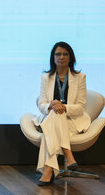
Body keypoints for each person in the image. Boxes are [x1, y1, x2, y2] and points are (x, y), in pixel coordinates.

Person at [33, 42, 90, 186]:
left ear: (71, 58)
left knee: (54, 120)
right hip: (52, 118)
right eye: (58, 54)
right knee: (55, 115)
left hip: (72, 120)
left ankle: (48, 169)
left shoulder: (80, 77)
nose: (61, 57)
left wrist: (62, 107)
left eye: (65, 54)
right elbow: (41, 104)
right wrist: (51, 105)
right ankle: (68, 154)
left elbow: (80, 107)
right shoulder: (46, 77)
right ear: (53, 57)